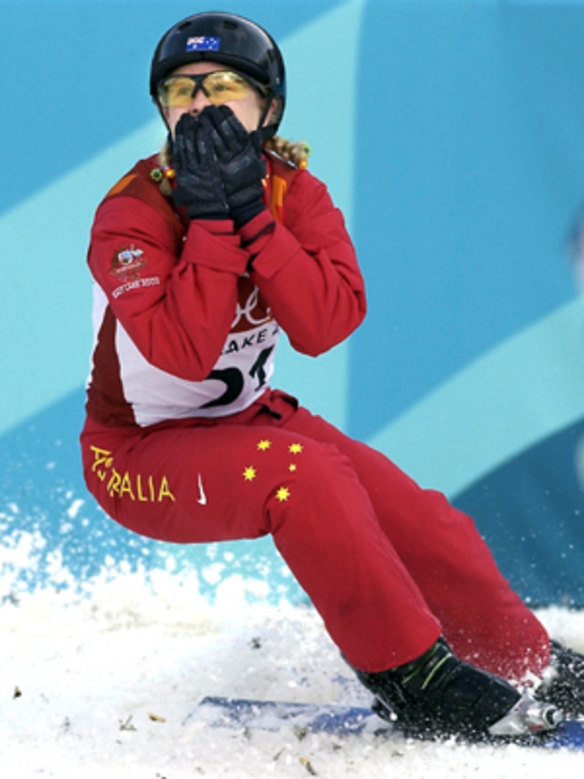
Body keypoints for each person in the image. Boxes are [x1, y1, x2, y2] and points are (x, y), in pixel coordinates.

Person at [80, 10, 584, 741]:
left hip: (250, 419)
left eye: (223, 87)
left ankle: (524, 659)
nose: (201, 106)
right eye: (182, 92)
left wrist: (254, 215)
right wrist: (215, 221)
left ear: (268, 107)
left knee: (417, 516)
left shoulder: (289, 191)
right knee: (306, 477)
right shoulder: (132, 213)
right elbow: (183, 353)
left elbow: (327, 324)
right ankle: (414, 679)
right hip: (136, 453)